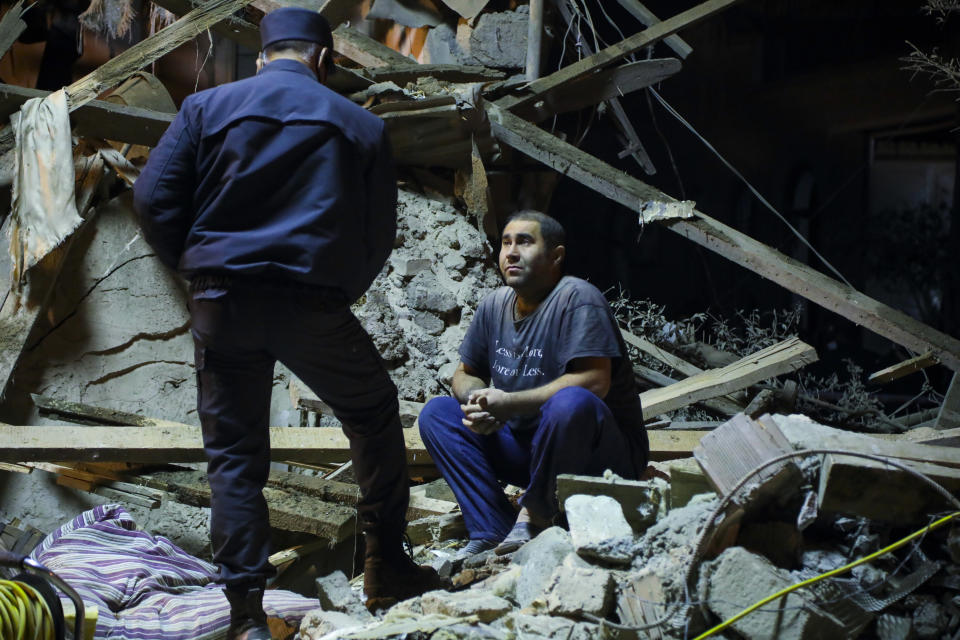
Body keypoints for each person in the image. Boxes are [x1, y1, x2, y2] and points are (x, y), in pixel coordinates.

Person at [133, 8, 444, 638]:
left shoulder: (206, 109)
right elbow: (376, 236)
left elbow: (151, 199)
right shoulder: (360, 125)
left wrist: (197, 273)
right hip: (311, 305)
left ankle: (246, 615)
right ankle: (385, 565)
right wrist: (334, 291)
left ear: (261, 60)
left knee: (235, 455)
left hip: (224, 303)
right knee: (374, 413)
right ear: (325, 60)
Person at [418, 211, 649, 557]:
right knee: (438, 414)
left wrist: (508, 403)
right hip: (533, 452)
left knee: (571, 402)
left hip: (599, 457)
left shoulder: (578, 299)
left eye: (524, 242)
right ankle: (491, 528)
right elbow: (464, 373)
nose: (511, 252)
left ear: (556, 256)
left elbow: (595, 382)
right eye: (506, 243)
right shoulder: (494, 305)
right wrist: (479, 400)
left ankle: (536, 514)